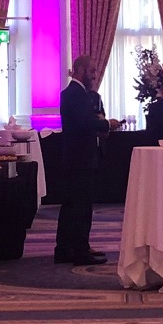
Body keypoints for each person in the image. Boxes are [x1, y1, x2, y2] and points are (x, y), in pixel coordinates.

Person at [55, 53, 108, 265]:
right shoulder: (76, 94)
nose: (94, 75)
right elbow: (86, 123)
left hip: (76, 158)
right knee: (80, 206)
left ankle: (66, 248)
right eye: (92, 71)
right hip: (80, 159)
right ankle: (79, 250)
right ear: (80, 70)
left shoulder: (77, 93)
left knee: (72, 205)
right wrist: (107, 124)